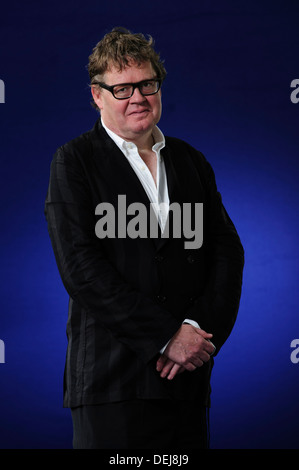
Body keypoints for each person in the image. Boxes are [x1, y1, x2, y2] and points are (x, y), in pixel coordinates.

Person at [45, 27, 244, 449]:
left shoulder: (192, 161)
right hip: (109, 380)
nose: (138, 97)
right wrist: (165, 337)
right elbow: (81, 268)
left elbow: (227, 253)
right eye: (122, 89)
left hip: (185, 378)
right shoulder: (74, 161)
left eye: (147, 84)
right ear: (97, 95)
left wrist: (195, 334)